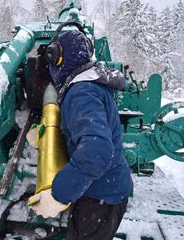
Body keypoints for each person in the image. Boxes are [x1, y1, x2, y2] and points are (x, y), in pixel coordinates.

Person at [28, 24, 132, 240]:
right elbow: (82, 134)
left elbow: (96, 151)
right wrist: (44, 136)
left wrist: (58, 194)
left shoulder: (81, 92)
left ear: (57, 57)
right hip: (104, 193)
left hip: (100, 199)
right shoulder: (89, 86)